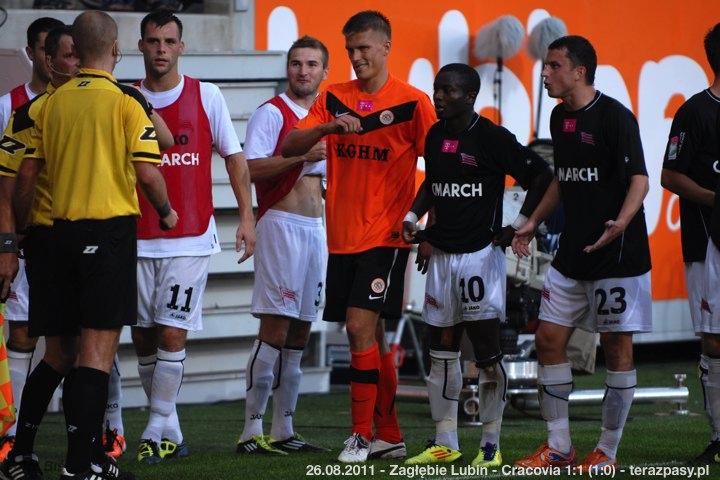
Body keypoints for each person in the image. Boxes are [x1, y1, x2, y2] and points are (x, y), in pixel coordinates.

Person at [14, 11, 177, 480]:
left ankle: (30, 452)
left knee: (59, 353)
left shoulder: (48, 104)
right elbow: (149, 171)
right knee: (97, 355)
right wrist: (166, 211)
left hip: (56, 234)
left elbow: (26, 175)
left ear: (76, 51)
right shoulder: (124, 101)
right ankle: (81, 463)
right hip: (107, 235)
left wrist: (22, 231)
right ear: (117, 49)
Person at [282, 10, 436, 463]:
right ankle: (390, 435)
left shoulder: (413, 103)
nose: (356, 56)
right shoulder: (333, 98)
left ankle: (359, 436)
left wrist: (423, 221)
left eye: (364, 48)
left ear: (386, 47)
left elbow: (439, 169)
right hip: (341, 237)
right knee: (373, 335)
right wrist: (326, 128)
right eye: (350, 49)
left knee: (356, 328)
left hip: (386, 236)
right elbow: (290, 147)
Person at [512, 35, 652, 473]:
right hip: (573, 254)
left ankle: (606, 451)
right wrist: (532, 220)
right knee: (548, 340)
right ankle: (559, 447)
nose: (545, 73)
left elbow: (640, 179)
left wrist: (622, 223)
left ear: (580, 71)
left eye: (554, 65)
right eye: (546, 65)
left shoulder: (615, 117)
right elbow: (563, 177)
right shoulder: (560, 117)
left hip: (617, 256)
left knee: (616, 348)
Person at [402, 63, 552, 467]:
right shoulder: (436, 135)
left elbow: (540, 175)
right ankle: (445, 442)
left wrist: (518, 225)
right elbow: (435, 184)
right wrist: (415, 219)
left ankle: (490, 445)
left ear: (470, 96)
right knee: (440, 351)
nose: (439, 97)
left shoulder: (491, 137)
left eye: (448, 91)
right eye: (437, 89)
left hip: (479, 259)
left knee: (486, 352)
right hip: (441, 257)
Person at [131, 9, 255, 464]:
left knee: (172, 333)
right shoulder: (125, 98)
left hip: (190, 236)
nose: (161, 49)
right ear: (140, 46)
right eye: (153, 41)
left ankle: (152, 429)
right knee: (143, 339)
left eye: (169, 41)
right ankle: (171, 429)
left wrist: (247, 217)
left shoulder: (207, 94)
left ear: (181, 47)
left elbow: (235, 159)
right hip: (135, 237)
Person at [236, 35, 329, 456]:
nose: (303, 71)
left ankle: (283, 430)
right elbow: (250, 169)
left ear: (324, 72)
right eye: (296, 63)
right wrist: (301, 157)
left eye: (311, 64)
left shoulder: (327, 116)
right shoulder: (272, 112)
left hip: (316, 230)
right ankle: (250, 431)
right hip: (280, 225)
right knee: (274, 328)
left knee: (301, 330)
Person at [0, 16, 63, 462]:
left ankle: (108, 430)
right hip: (24, 238)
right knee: (21, 331)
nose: (52, 59)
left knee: (89, 337)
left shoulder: (80, 104)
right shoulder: (9, 106)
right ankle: (14, 435)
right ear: (32, 53)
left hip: (70, 236)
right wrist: (7, 243)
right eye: (43, 49)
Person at [661, 23, 720, 464]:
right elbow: (669, 175)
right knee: (715, 341)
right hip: (709, 243)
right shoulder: (695, 112)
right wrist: (714, 199)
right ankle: (719, 437)